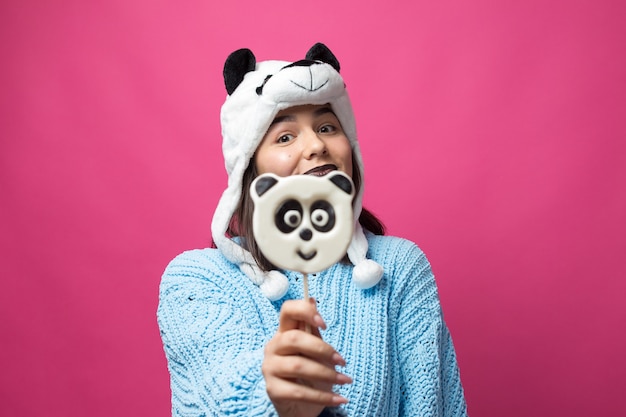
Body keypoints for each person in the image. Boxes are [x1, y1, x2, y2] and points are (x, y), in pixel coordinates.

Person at [157, 43, 468, 417]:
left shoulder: (399, 268)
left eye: (327, 127)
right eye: (285, 137)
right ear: (249, 172)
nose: (317, 145)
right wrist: (276, 395)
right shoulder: (197, 280)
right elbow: (216, 393)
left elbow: (433, 407)